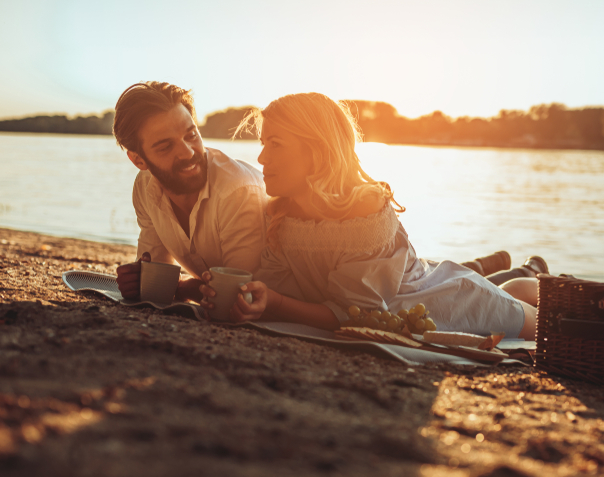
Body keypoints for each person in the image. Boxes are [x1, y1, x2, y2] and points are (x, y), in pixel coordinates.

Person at [199, 92, 540, 339]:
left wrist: (273, 301)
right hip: (411, 293)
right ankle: (526, 277)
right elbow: (277, 288)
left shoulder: (364, 213)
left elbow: (353, 315)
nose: (261, 159)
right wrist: (248, 297)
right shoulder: (282, 213)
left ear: (316, 151)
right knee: (512, 292)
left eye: (274, 144)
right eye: (262, 144)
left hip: (449, 303)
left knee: (539, 326)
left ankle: (538, 282)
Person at [112, 81, 267, 302]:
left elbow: (235, 298)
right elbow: (156, 278)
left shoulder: (237, 191)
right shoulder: (145, 188)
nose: (187, 152)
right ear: (138, 159)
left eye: (191, 135)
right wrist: (139, 281)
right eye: (165, 146)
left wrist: (181, 288)